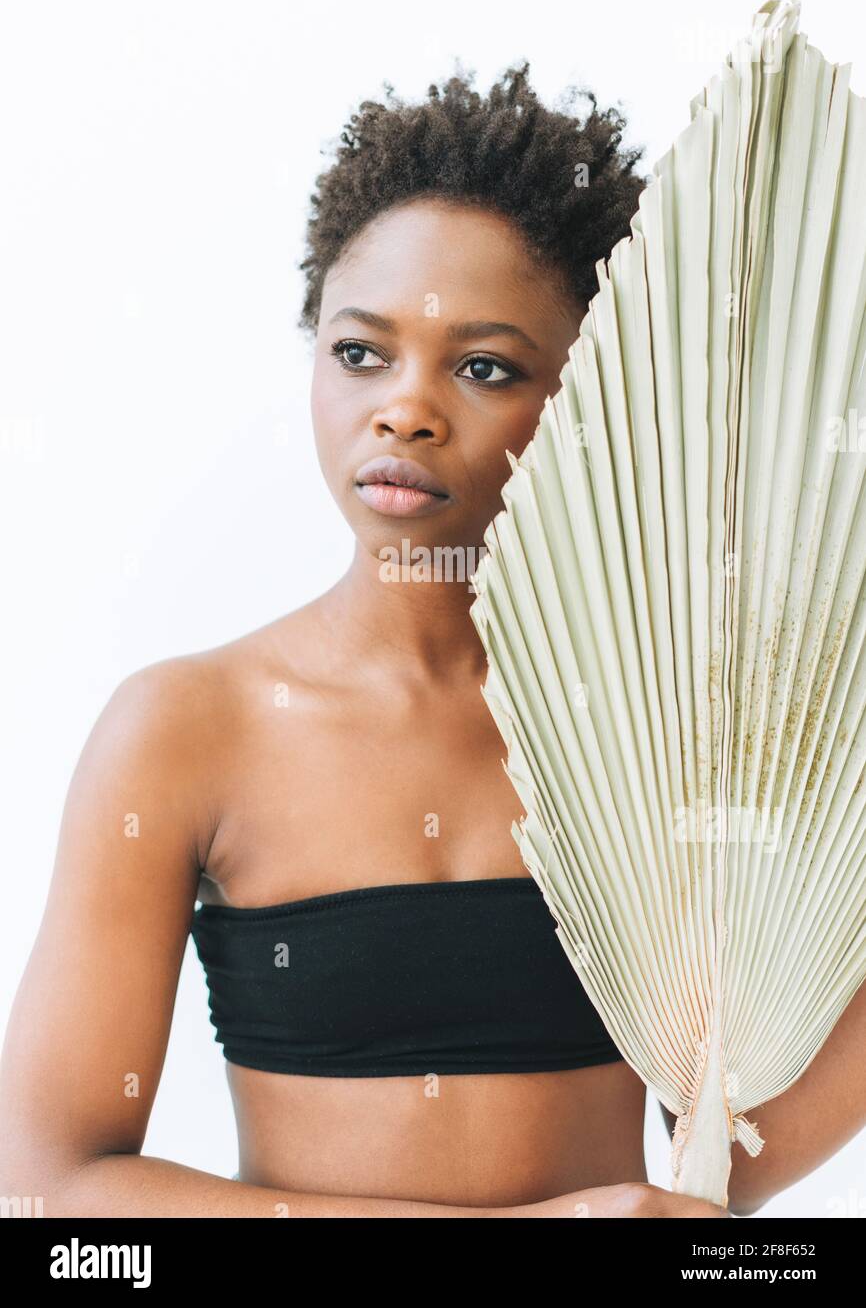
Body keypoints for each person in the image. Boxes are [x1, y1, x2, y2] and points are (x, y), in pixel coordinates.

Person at [0, 63, 747, 1218]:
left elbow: (728, 1160)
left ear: (592, 396)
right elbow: (52, 1192)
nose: (405, 408)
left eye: (484, 366)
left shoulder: (670, 734)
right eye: (361, 352)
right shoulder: (185, 730)